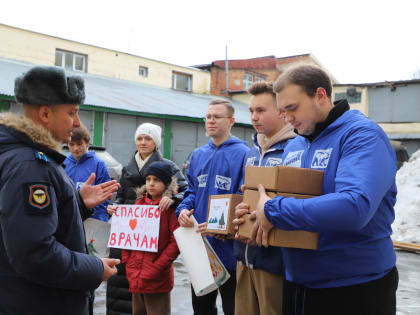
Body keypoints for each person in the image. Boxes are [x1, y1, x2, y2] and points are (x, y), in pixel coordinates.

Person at [251, 64, 399, 315]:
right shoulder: (296, 145)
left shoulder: (361, 136)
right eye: (283, 111)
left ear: (320, 96)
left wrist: (273, 209)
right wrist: (254, 214)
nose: (287, 119)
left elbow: (354, 208)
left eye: (292, 108)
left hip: (354, 286)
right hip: (299, 283)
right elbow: (285, 201)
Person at [0, 66, 120, 315]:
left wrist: (76, 203)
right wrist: (94, 269)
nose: (77, 123)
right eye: (72, 113)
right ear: (45, 113)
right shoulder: (30, 165)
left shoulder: (23, 156)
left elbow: (23, 224)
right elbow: (35, 253)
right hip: (39, 303)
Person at [176, 99, 249, 315]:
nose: (211, 121)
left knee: (232, 309)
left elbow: (243, 199)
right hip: (200, 249)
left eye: (217, 117)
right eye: (208, 117)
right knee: (201, 309)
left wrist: (220, 227)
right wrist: (183, 210)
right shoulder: (198, 155)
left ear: (231, 121)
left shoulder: (244, 154)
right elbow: (191, 192)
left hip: (229, 252)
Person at [106, 122, 187, 315]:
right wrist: (116, 208)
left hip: (154, 236)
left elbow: (185, 191)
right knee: (124, 289)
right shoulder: (127, 167)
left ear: (156, 142)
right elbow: (121, 195)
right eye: (140, 138)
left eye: (148, 138)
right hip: (129, 234)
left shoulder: (167, 166)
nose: (143, 142)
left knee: (151, 297)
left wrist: (172, 198)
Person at [233, 81, 296, 315]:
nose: (254, 117)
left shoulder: (295, 150)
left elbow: (296, 204)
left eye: (261, 110)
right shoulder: (250, 153)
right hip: (244, 257)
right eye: (251, 111)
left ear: (281, 111)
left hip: (274, 262)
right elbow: (244, 198)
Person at [122, 160, 180, 315]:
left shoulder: (169, 208)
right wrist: (127, 259)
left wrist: (158, 265)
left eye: (157, 180)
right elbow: (128, 233)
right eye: (148, 179)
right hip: (135, 274)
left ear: (167, 183)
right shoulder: (139, 204)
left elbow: (176, 241)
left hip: (157, 278)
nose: (151, 184)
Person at [65, 124, 112, 222]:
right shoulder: (64, 164)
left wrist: (90, 213)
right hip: (69, 220)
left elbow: (105, 196)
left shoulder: (98, 164)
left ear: (87, 142)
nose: (75, 148)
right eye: (71, 144)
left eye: (79, 144)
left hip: (92, 220)